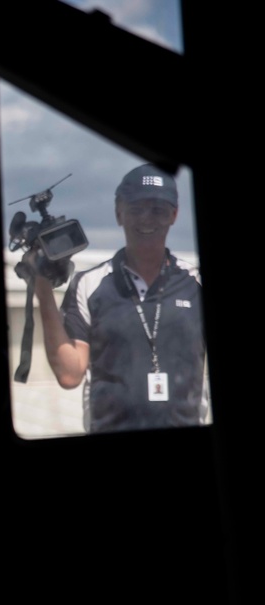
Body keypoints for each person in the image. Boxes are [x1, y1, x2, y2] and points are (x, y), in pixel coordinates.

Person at [29, 163, 209, 432]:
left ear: (174, 215)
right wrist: (42, 288)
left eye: (158, 210)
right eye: (136, 209)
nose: (147, 219)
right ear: (118, 213)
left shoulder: (196, 284)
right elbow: (69, 374)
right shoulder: (88, 284)